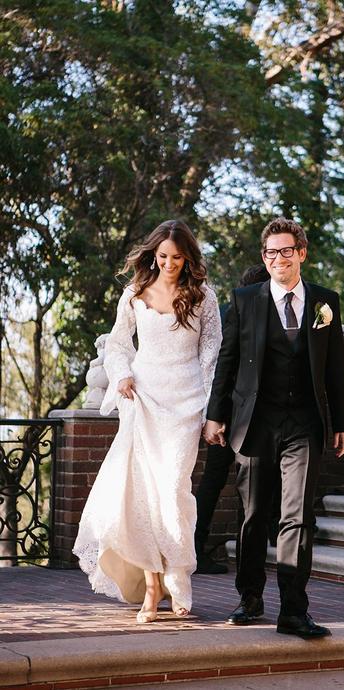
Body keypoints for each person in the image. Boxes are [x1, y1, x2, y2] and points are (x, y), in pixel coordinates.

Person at [203, 217, 344, 640]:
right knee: (252, 515)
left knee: (297, 517)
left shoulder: (326, 302)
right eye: (270, 252)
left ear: (302, 253)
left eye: (286, 251)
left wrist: (342, 421)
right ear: (263, 257)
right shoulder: (245, 300)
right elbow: (226, 362)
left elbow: (336, 368)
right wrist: (216, 414)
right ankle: (250, 598)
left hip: (304, 422)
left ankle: (293, 610)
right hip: (255, 422)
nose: (278, 259)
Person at [74, 220, 222, 623]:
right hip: (143, 399)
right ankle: (153, 585)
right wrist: (121, 374)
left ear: (188, 257)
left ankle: (180, 575)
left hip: (186, 402)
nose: (170, 264)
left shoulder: (204, 297)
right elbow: (119, 344)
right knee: (142, 494)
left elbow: (211, 357)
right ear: (153, 255)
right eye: (163, 257)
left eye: (177, 257)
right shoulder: (134, 294)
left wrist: (212, 412)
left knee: (173, 489)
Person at [195, 264, 270, 575]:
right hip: (231, 414)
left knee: (219, 482)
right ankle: (203, 551)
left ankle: (200, 550)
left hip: (231, 412)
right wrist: (218, 416)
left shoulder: (232, 308)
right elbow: (222, 366)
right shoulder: (238, 313)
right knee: (231, 484)